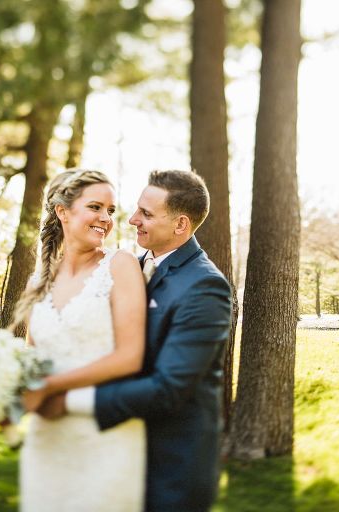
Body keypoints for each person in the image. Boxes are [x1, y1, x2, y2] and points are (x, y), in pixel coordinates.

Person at [36, 170, 232, 512]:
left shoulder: (204, 287)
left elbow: (169, 388)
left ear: (180, 225)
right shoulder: (126, 265)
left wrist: (68, 402)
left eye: (146, 214)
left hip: (170, 466)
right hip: (105, 447)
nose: (132, 219)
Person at [13, 169, 148, 512]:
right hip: (47, 440)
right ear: (63, 211)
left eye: (110, 211)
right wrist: (10, 398)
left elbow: (130, 357)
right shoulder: (36, 283)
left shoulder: (121, 265)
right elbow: (33, 360)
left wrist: (51, 387)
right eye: (95, 207)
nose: (105, 218)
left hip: (105, 437)